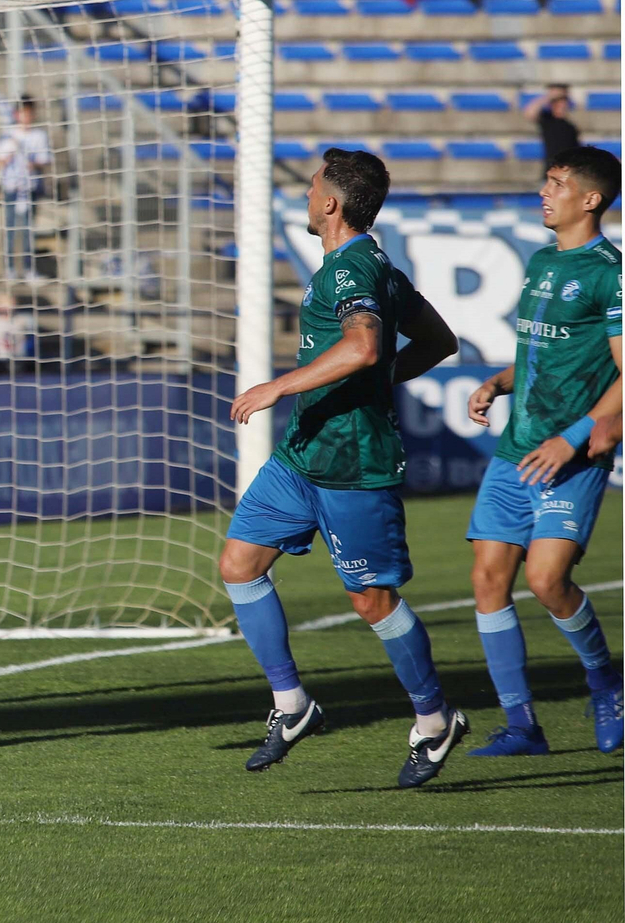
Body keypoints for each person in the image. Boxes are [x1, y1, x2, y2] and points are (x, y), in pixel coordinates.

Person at [221, 148, 468, 789]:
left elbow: (363, 346)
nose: (306, 195)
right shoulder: (370, 264)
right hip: (305, 453)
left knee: (371, 599)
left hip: (353, 463)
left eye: (311, 186)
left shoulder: (352, 269)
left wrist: (278, 386)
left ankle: (435, 721)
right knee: (239, 565)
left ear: (330, 202)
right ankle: (291, 705)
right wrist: (379, 377)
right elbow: (440, 342)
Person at [462, 146, 623, 757]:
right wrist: (498, 383)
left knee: (548, 579)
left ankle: (606, 680)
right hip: (516, 450)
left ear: (591, 199)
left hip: (571, 455)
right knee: (487, 580)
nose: (544, 193)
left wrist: (575, 437)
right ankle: (522, 726)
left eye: (557, 184)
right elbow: (541, 353)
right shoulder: (538, 261)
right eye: (546, 182)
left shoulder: (609, 272)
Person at [0, 96, 51, 280]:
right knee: (11, 228)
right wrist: (8, 157)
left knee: (28, 230)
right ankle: (9, 269)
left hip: (30, 187)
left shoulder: (39, 136)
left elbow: (44, 160)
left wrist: (33, 164)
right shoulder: (7, 136)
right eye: (22, 113)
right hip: (12, 187)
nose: (25, 117)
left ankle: (28, 269)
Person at [525, 83, 581, 164]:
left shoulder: (570, 126)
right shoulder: (548, 120)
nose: (561, 104)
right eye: (556, 101)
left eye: (563, 101)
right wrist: (550, 96)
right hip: (552, 169)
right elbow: (530, 113)